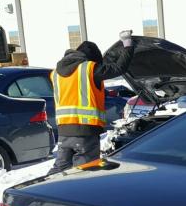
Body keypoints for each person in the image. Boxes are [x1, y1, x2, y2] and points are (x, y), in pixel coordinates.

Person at [48, 30, 135, 174]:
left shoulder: (56, 73)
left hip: (64, 130)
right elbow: (119, 68)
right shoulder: (89, 68)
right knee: (84, 172)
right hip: (85, 130)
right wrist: (127, 44)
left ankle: (41, 191)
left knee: (60, 169)